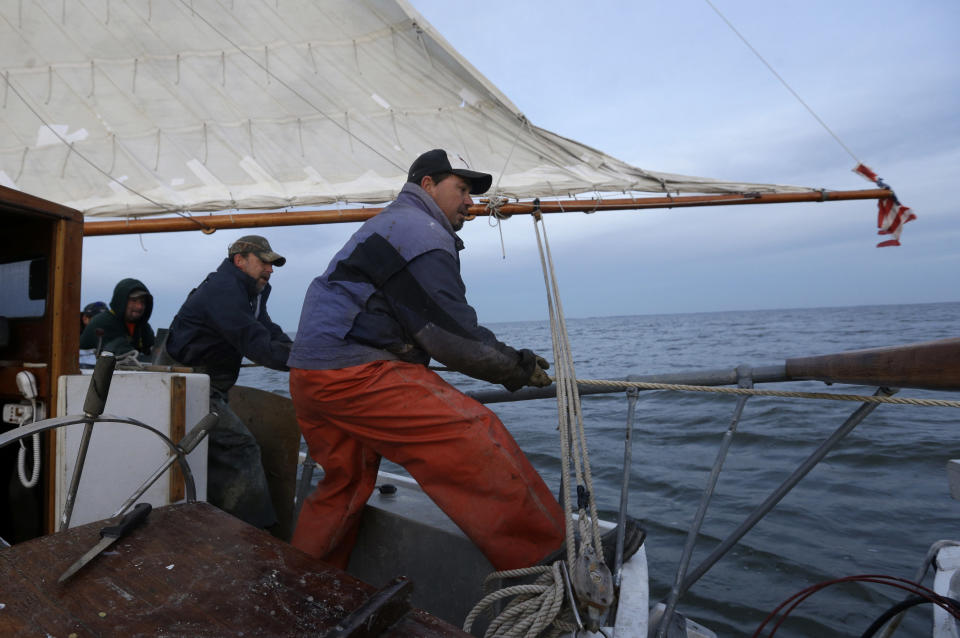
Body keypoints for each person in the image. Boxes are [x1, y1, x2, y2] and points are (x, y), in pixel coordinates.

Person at [287, 148, 564, 571]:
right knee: (474, 435)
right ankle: (550, 566)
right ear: (427, 184)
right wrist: (519, 367)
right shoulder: (421, 233)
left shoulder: (388, 226)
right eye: (462, 189)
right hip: (354, 374)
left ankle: (306, 583)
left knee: (345, 484)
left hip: (311, 376)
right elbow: (453, 338)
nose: (469, 202)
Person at [165, 235, 292, 529]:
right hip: (186, 385)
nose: (270, 270)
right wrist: (303, 362)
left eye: (272, 265)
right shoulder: (224, 290)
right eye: (264, 262)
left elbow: (267, 329)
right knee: (240, 447)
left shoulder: (252, 292)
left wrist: (304, 352)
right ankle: (251, 534)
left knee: (220, 450)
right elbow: (252, 340)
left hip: (209, 386)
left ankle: (217, 518)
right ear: (240, 260)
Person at [79, 280, 154, 357]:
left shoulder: (143, 327)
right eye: (134, 301)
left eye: (143, 302)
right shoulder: (102, 323)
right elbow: (115, 353)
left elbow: (153, 353)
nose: (139, 306)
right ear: (121, 300)